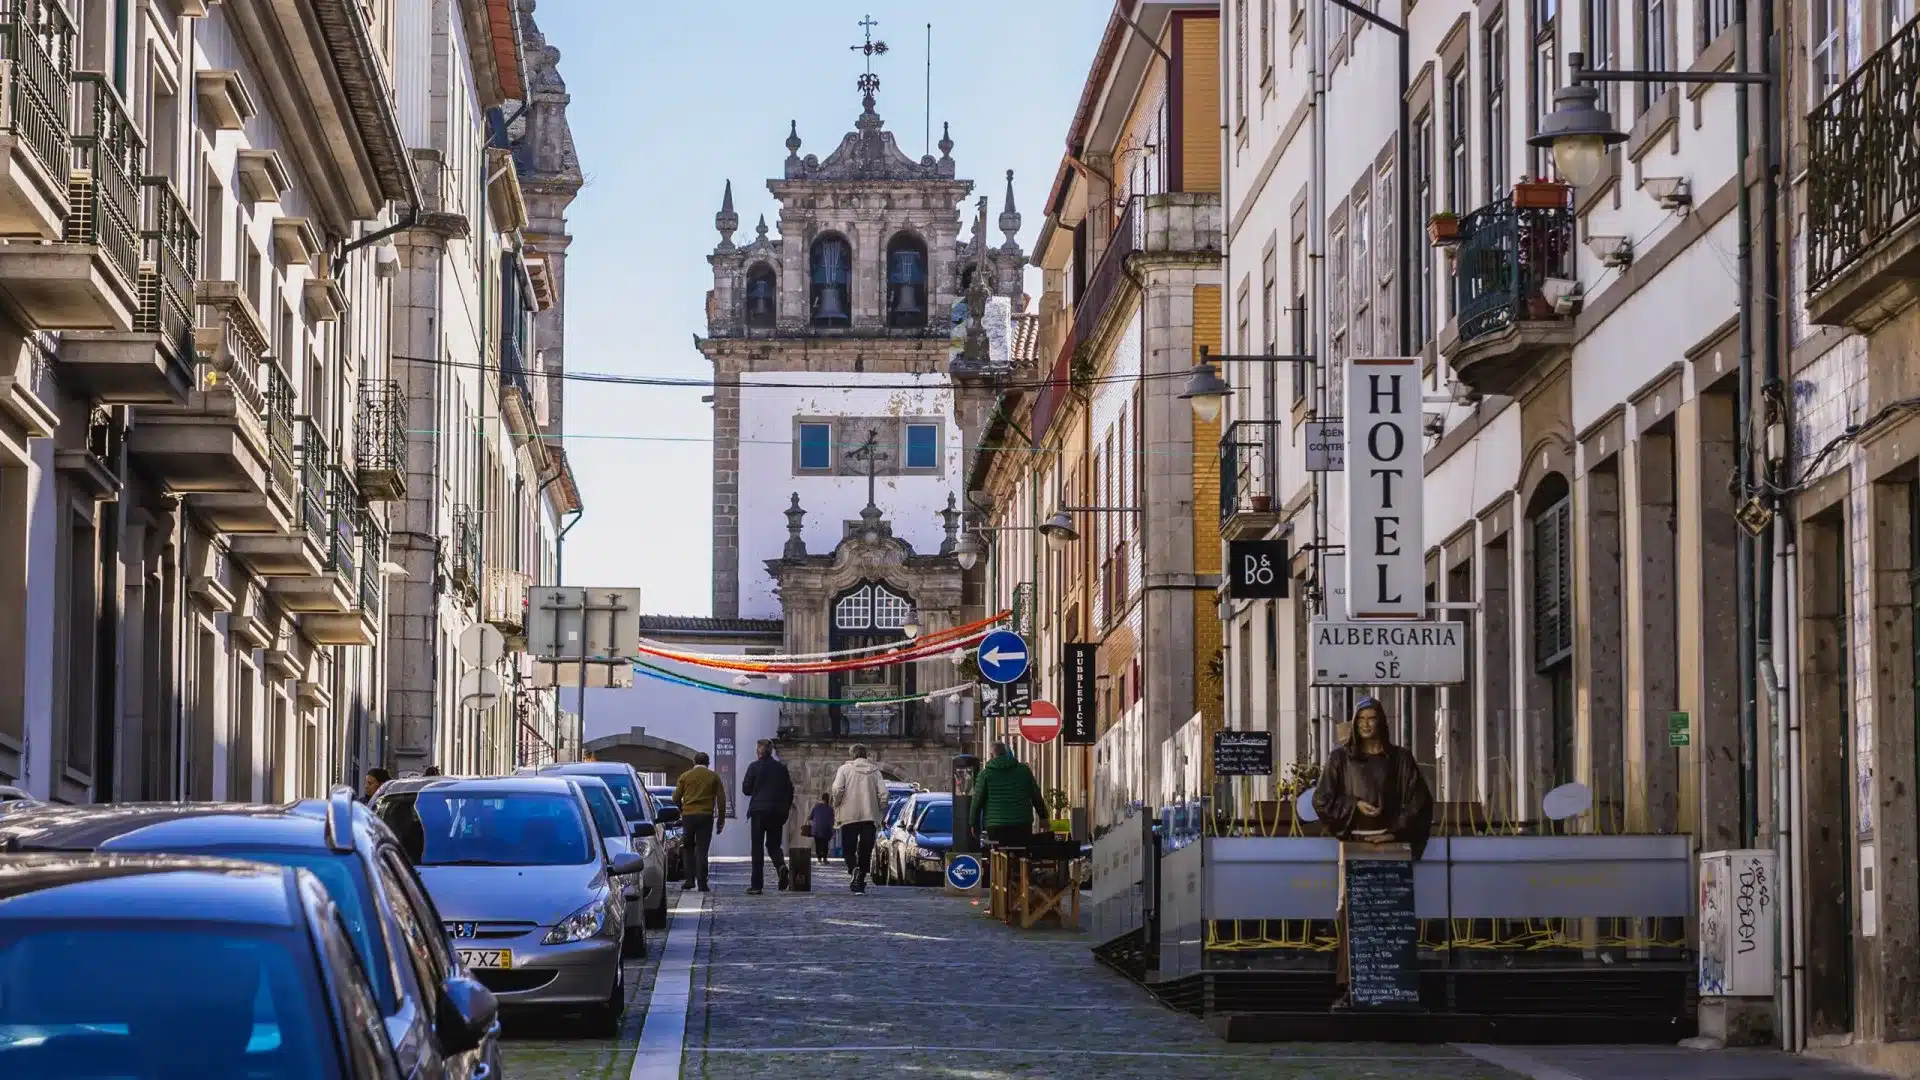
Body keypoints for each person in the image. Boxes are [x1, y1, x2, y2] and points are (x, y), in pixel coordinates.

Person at [1311, 696, 1434, 859]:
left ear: (1380, 721)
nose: (1365, 724)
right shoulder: (1339, 758)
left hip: (1393, 848)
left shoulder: (1401, 759)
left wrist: (1395, 834)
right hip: (1352, 846)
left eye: (1371, 719)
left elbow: (1419, 802)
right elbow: (1321, 800)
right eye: (1361, 719)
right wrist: (1354, 805)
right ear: (1355, 723)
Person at [829, 744, 888, 893]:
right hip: (870, 815)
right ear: (866, 754)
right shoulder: (875, 771)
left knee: (848, 848)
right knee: (865, 850)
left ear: (852, 755)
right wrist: (879, 807)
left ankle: (853, 868)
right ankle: (860, 879)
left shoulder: (844, 769)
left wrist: (837, 803)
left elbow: (837, 789)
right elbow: (884, 794)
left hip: (849, 815)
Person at [740, 739, 794, 894]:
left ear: (759, 751)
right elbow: (790, 790)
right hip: (777, 811)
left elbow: (746, 789)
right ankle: (780, 865)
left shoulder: (754, 767)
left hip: (759, 810)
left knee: (757, 847)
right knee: (773, 845)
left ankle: (757, 885)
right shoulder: (781, 768)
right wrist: (785, 809)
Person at [971, 742, 1047, 850]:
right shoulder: (1024, 771)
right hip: (1021, 824)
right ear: (1007, 753)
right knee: (1021, 853)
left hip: (995, 826)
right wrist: (1043, 817)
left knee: (998, 854)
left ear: (991, 755)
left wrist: (974, 824)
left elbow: (976, 802)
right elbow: (1036, 795)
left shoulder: (985, 775)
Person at [672, 752, 726, 892]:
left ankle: (689, 881)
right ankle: (702, 882)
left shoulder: (685, 776)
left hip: (688, 816)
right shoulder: (713, 777)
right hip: (706, 816)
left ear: (694, 762)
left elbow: (676, 797)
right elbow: (721, 799)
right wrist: (721, 820)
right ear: (708, 763)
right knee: (702, 850)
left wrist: (681, 809)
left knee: (688, 848)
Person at [807, 794, 835, 866]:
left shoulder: (816, 806)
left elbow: (811, 817)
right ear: (828, 799)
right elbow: (832, 820)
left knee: (818, 844)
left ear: (822, 798)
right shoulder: (830, 808)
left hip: (816, 828)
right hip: (826, 828)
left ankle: (819, 859)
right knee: (825, 844)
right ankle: (825, 859)